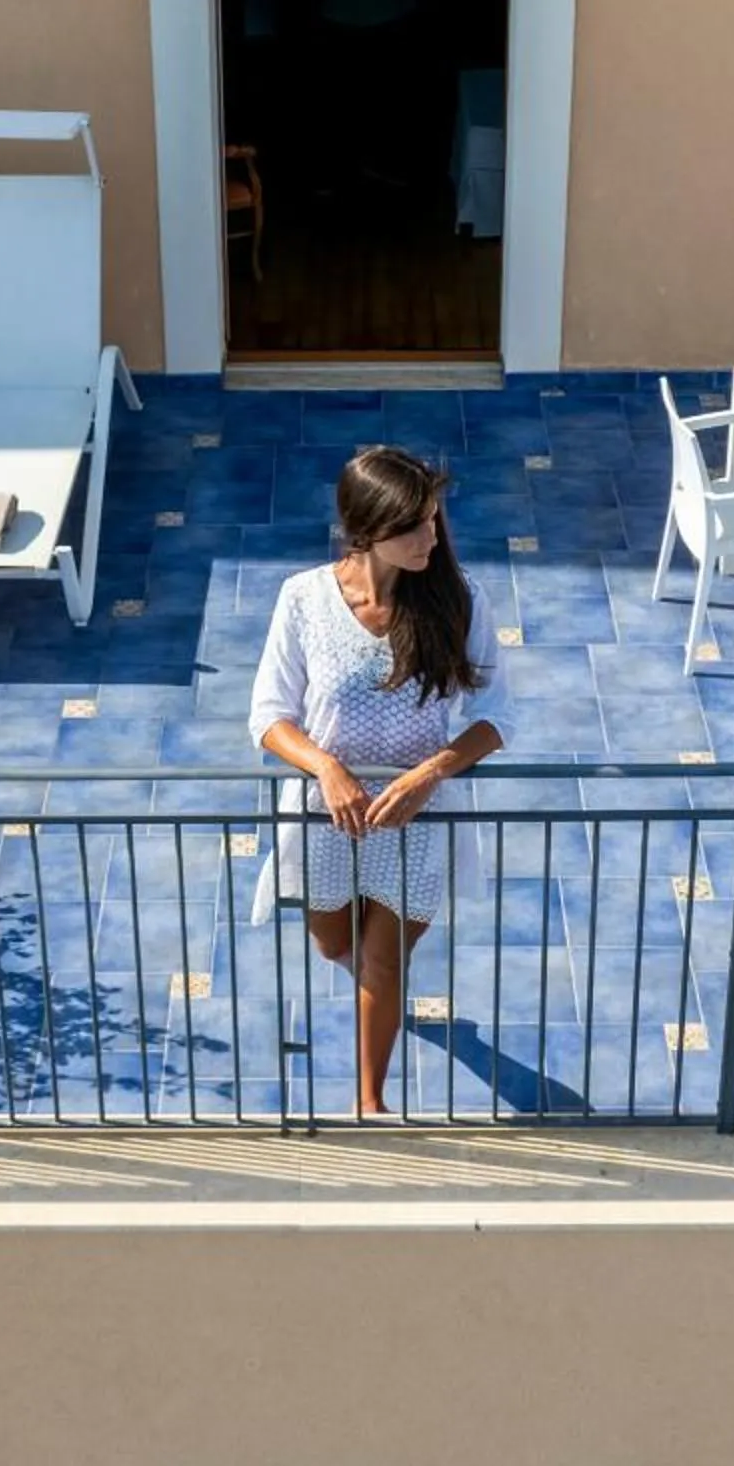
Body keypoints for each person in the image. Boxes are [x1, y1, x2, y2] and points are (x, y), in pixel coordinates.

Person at [249, 445, 509, 1115]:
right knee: (335, 942)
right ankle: (375, 989)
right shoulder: (304, 599)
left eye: (432, 520)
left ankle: (369, 1102)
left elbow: (498, 717)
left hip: (419, 820)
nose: (431, 537)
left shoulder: (461, 598)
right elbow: (269, 716)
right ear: (365, 530)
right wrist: (327, 768)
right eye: (412, 526)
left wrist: (431, 774)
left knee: (384, 960)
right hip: (327, 816)